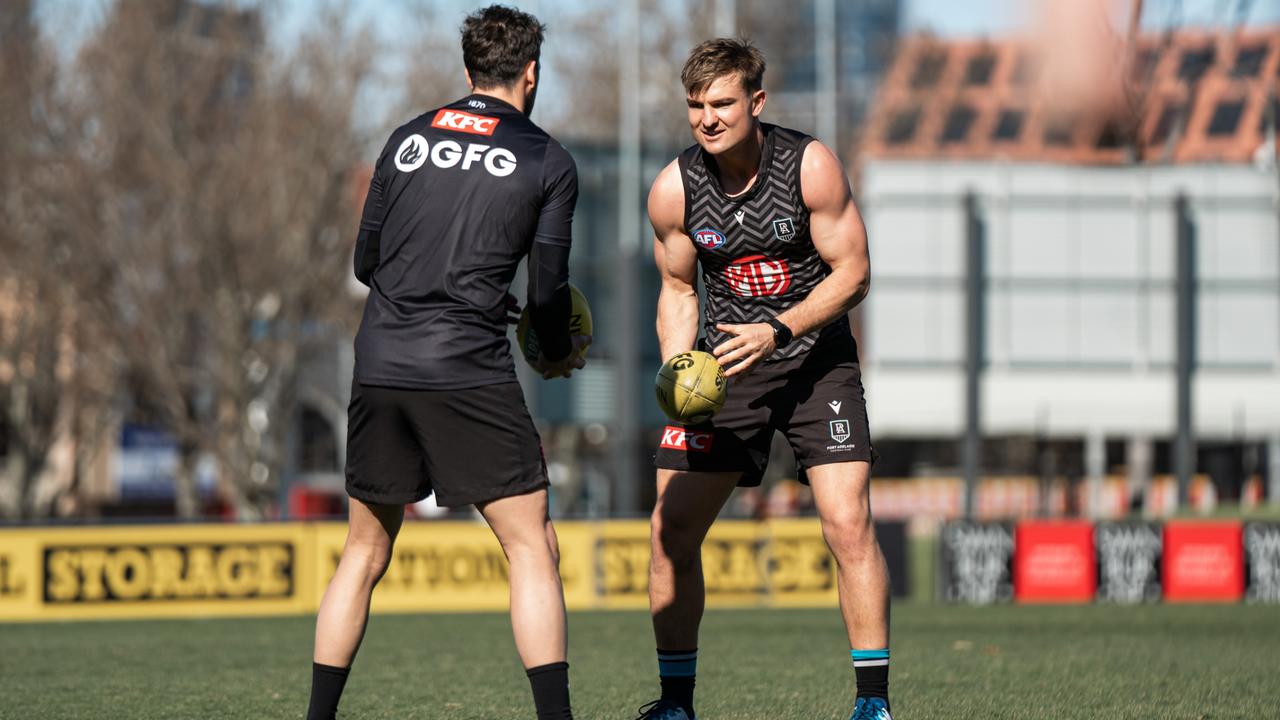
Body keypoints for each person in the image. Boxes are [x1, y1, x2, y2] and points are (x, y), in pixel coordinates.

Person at [305, 6, 585, 720]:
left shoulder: (405, 139)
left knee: (363, 553)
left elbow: (366, 263)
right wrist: (553, 348)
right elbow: (548, 289)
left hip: (381, 360)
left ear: (466, 74)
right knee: (530, 547)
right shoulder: (547, 159)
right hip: (465, 366)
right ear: (532, 74)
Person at [642, 39, 892, 720]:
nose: (707, 118)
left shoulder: (810, 167)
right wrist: (678, 363)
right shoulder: (674, 189)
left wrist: (780, 329)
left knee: (846, 524)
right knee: (670, 535)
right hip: (725, 373)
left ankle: (872, 704)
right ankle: (675, 705)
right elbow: (675, 288)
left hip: (816, 365)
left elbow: (855, 273)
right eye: (695, 106)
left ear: (756, 102)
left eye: (721, 103)